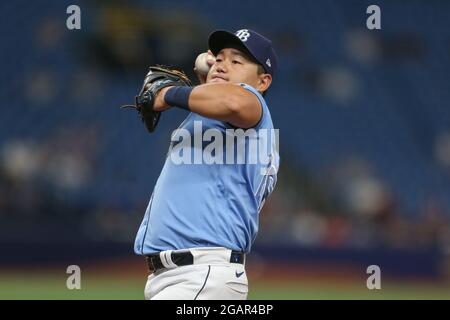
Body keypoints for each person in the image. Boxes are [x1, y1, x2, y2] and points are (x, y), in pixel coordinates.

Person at [134, 28, 280, 300]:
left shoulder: (251, 104)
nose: (224, 65)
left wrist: (167, 94)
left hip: (202, 274)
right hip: (187, 276)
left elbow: (232, 100)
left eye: (237, 61)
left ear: (263, 82)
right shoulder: (217, 117)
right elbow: (213, 88)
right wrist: (210, 70)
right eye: (220, 58)